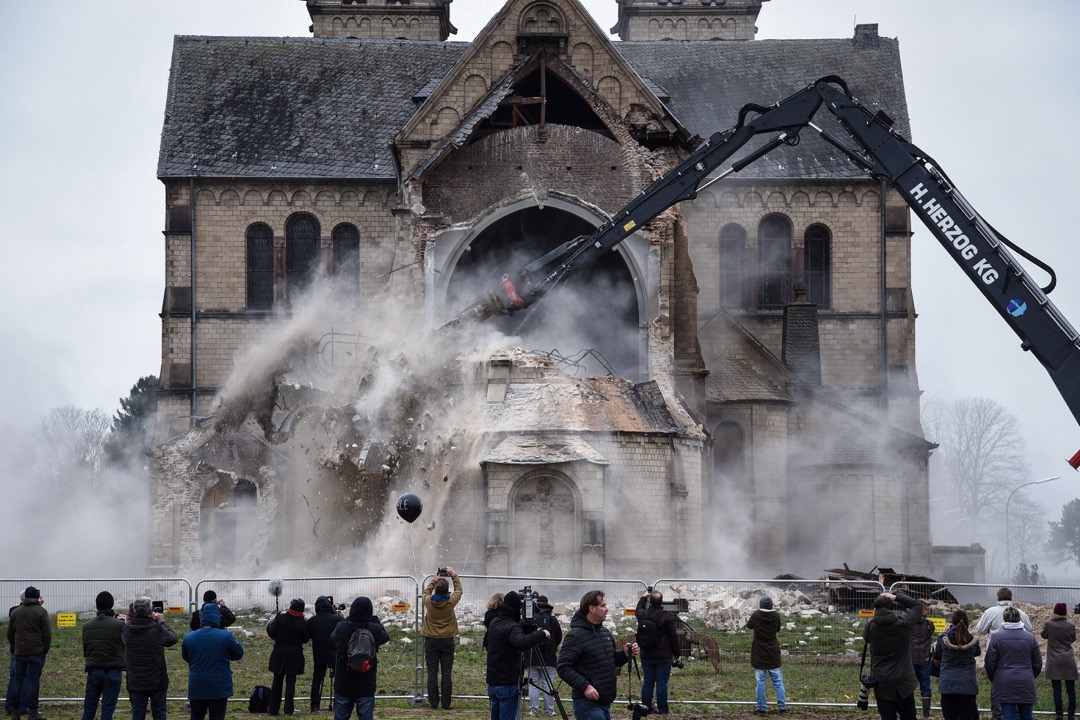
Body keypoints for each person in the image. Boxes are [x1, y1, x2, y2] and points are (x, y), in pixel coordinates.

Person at [557, 590, 638, 720]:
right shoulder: (575, 636)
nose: (607, 609)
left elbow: (612, 660)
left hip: (605, 702)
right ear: (592, 608)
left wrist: (625, 654)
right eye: (603, 606)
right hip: (587, 705)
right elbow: (563, 667)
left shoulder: (604, 633)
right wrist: (585, 687)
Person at [486, 591, 550, 720]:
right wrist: (541, 634)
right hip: (507, 682)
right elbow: (521, 642)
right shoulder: (512, 627)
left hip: (493, 682)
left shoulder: (495, 622)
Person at [863, 591, 924, 720]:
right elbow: (917, 606)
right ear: (892, 608)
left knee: (887, 717)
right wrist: (896, 597)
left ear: (875, 609)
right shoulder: (904, 623)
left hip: (882, 681)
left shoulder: (870, 626)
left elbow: (866, 639)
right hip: (904, 681)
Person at [976, 587, 1033, 720]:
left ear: (998, 597)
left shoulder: (990, 612)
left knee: (997, 684)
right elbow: (1029, 628)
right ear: (1010, 597)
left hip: (996, 652)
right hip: (1018, 653)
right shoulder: (1020, 613)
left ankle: (997, 713)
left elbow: (980, 629)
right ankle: (1018, 713)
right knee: (1018, 682)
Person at [181, 603, 244, 720]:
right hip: (219, 686)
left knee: (196, 716)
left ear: (202, 617)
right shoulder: (226, 636)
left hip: (197, 685)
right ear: (218, 617)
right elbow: (239, 654)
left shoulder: (189, 637)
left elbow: (186, 657)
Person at [330, 597, 389, 720]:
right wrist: (375, 621)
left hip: (344, 683)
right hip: (366, 683)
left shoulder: (341, 627)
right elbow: (385, 637)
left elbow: (332, 638)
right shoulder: (374, 629)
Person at [123, 597, 178, 720]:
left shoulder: (126, 629)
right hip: (157, 680)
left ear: (134, 611)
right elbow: (173, 639)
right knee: (159, 713)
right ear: (150, 611)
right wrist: (162, 622)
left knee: (137, 714)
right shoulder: (157, 629)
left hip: (135, 680)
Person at [984, 607, 1041, 720]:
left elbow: (989, 663)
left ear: (1004, 619)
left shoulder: (996, 637)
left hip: (1004, 682)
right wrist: (1029, 675)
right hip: (1026, 681)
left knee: (1008, 715)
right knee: (1027, 716)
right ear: (1020, 619)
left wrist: (995, 678)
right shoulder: (1030, 638)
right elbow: (1037, 663)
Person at [421, 568, 462, 710]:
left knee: (432, 673)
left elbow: (425, 593)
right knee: (446, 673)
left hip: (431, 640)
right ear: (447, 591)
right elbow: (459, 590)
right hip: (447, 640)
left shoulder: (428, 602)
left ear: (436, 590)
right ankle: (446, 703)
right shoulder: (450, 602)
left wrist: (433, 580)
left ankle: (433, 703)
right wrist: (453, 575)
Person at [80, 592, 126, 720]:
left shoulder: (86, 626)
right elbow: (125, 646)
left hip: (93, 670)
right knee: (107, 711)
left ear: (97, 605)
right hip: (113, 671)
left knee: (88, 710)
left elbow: (86, 650)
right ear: (111, 604)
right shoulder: (120, 625)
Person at [7, 586, 50, 720]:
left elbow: (10, 634)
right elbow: (47, 634)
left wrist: (15, 647)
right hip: (37, 652)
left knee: (17, 681)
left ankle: (15, 712)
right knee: (34, 682)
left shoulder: (15, 612)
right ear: (37, 597)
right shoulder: (42, 612)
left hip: (19, 653)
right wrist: (45, 650)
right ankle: (32, 712)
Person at [635, 590, 680, 715]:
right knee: (662, 682)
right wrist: (677, 654)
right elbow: (673, 637)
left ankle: (645, 708)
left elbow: (638, 609)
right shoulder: (667, 616)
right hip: (663, 655)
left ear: (650, 601)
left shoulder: (643, 614)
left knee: (648, 682)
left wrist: (643, 598)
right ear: (661, 601)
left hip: (646, 654)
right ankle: (663, 709)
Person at [933, 609, 981, 720]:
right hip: (968, 685)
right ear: (967, 623)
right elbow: (977, 652)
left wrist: (946, 632)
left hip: (948, 685)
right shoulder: (973, 640)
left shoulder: (943, 639)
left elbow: (937, 658)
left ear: (951, 623)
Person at [266, 598, 310, 716]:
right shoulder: (303, 623)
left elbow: (272, 632)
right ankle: (288, 710)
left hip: (279, 653)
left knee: (277, 681)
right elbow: (305, 640)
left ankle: (273, 709)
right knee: (291, 683)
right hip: (295, 655)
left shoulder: (280, 618)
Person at [745, 596, 785, 715]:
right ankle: (782, 707)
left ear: (760, 605)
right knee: (778, 682)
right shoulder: (776, 616)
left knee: (761, 682)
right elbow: (777, 629)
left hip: (759, 653)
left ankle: (762, 708)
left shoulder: (756, 615)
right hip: (773, 652)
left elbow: (749, 626)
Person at [527, 595, 563, 718]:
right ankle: (549, 710)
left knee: (533, 684)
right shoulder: (552, 619)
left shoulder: (530, 619)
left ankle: (534, 710)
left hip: (532, 656)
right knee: (548, 684)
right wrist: (552, 647)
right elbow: (558, 636)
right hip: (549, 657)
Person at [1041, 603, 1077, 720]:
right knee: (1071, 688)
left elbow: (1043, 635)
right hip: (1068, 659)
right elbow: (1073, 639)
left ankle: (1059, 714)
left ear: (1055, 612)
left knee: (1056, 688)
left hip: (1054, 660)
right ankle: (1071, 714)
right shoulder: (1071, 626)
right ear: (1066, 613)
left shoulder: (1049, 624)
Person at [306, 597, 342, 713]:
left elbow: (308, 637)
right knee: (338, 679)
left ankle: (315, 705)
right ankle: (339, 703)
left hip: (319, 654)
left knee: (317, 679)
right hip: (334, 654)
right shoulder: (337, 620)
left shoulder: (311, 621)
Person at [909, 602, 935, 719]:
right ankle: (926, 714)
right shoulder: (929, 624)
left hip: (911, 659)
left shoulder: (909, 624)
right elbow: (931, 634)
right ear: (924, 611)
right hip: (925, 658)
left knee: (909, 686)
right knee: (925, 685)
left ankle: (909, 711)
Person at [6, 592, 23, 718]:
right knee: (26, 678)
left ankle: (10, 705)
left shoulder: (13, 611)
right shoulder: (37, 610)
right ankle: (22, 706)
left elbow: (9, 634)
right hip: (27, 651)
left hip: (15, 650)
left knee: (14, 678)